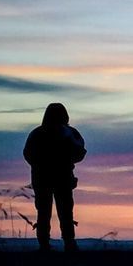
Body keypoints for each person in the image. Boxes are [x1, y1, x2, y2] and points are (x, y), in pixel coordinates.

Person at [23, 102, 87, 253]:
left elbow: (28, 154)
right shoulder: (69, 133)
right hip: (59, 177)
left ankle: (49, 244)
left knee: (47, 211)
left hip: (46, 178)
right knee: (63, 211)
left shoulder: (38, 133)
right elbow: (80, 152)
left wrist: (39, 165)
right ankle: (66, 243)